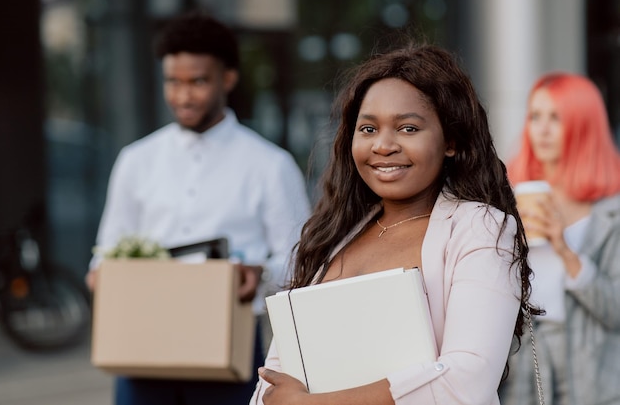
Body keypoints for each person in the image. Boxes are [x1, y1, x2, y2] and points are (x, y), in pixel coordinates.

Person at [249, 42, 540, 405]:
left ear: (450, 141)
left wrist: (313, 403)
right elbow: (276, 378)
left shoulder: (480, 227)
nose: (383, 145)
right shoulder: (334, 235)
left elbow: (466, 381)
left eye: (407, 128)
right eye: (368, 129)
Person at [86, 11, 311, 405]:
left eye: (198, 82)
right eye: (173, 82)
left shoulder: (270, 165)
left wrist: (257, 272)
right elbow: (105, 254)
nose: (183, 96)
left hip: (229, 351)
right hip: (142, 351)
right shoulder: (135, 161)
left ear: (227, 78)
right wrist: (101, 278)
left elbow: (303, 264)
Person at [499, 73, 620, 405]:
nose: (543, 129)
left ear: (584, 125)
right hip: (525, 358)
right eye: (535, 116)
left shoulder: (610, 212)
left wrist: (564, 249)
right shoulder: (508, 198)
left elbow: (615, 310)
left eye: (557, 118)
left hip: (592, 366)